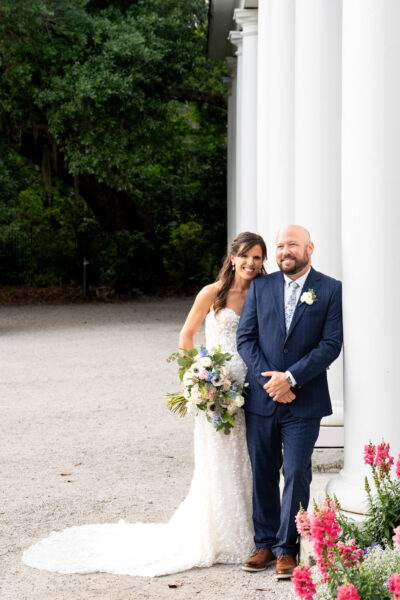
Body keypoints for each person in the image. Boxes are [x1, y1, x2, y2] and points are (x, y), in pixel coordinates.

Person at [22, 231, 267, 577]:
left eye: (257, 258)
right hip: (217, 391)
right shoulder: (212, 294)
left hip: (251, 388)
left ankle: (260, 534)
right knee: (220, 460)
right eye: (246, 256)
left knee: (250, 459)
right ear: (232, 257)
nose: (251, 263)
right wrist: (195, 376)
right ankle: (222, 533)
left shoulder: (263, 291)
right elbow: (186, 335)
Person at [237, 225, 343, 580]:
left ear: (309, 248)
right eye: (280, 246)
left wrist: (291, 378)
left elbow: (330, 344)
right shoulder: (260, 287)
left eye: (292, 245)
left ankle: (287, 548)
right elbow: (245, 339)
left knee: (297, 471)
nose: (285, 251)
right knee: (263, 472)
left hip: (305, 399)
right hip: (263, 398)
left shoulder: (329, 289)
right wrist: (273, 381)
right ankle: (264, 544)